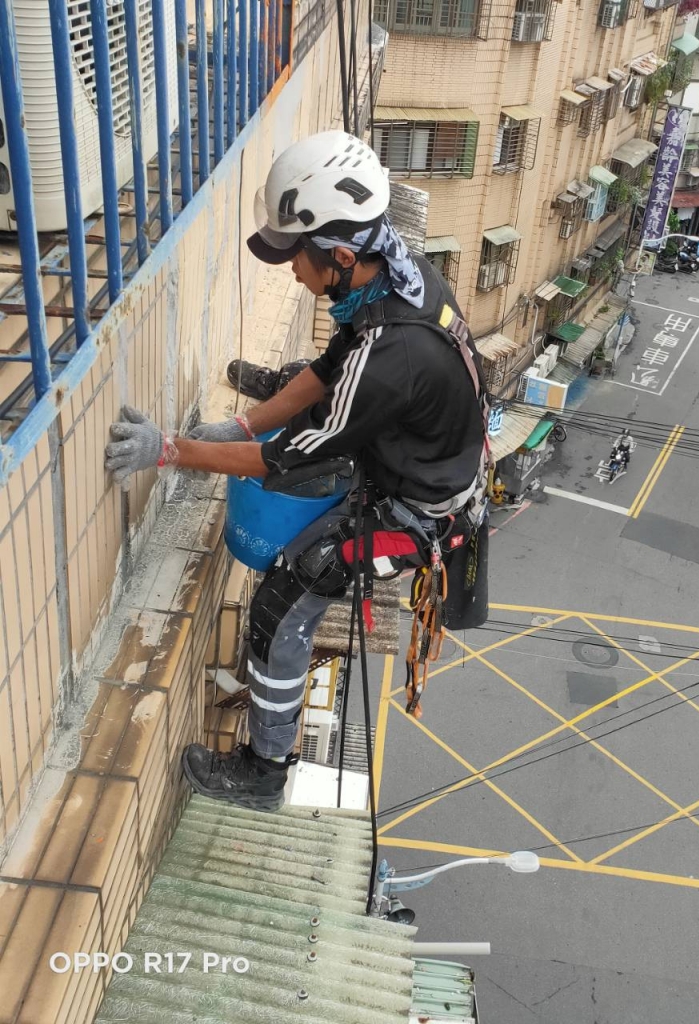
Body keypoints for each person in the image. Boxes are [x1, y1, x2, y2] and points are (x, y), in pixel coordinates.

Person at [105, 130, 489, 812]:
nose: (291, 271)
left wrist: (170, 450)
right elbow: (325, 372)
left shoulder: (393, 353)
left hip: (417, 512)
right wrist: (243, 423)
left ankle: (264, 770)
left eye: (297, 258)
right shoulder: (398, 278)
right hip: (416, 459)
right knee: (301, 415)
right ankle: (265, 760)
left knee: (284, 602)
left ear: (342, 256)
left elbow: (283, 463)